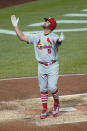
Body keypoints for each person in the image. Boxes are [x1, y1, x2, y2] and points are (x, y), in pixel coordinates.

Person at [11, 15, 64, 119]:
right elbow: (22, 37)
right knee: (43, 89)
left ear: (51, 25)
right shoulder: (37, 36)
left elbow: (56, 41)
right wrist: (15, 26)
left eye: (47, 21)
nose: (45, 22)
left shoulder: (54, 36)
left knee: (52, 87)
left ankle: (56, 104)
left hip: (52, 66)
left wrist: (60, 40)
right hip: (41, 66)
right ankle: (44, 109)